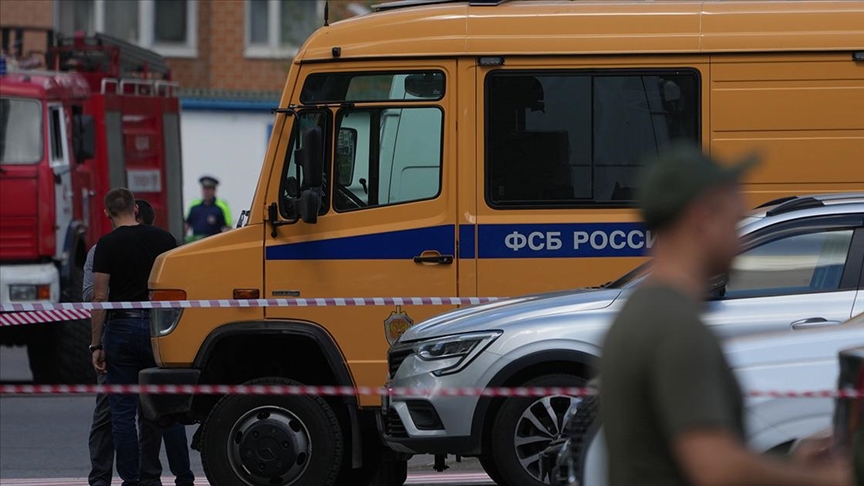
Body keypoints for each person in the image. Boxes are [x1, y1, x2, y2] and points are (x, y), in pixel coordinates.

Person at [599, 143, 852, 486]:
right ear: (703, 217)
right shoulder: (676, 327)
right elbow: (719, 471)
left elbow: (676, 458)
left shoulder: (643, 310)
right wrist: (830, 479)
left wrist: (792, 458)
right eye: (734, 223)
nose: (739, 242)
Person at [84, 199, 193, 486]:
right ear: (134, 210)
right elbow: (178, 289)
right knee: (167, 409)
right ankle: (182, 476)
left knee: (120, 412)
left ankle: (129, 479)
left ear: (107, 211)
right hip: (158, 328)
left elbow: (97, 297)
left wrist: (96, 344)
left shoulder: (106, 245)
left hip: (120, 328)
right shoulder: (165, 240)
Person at [185, 175, 232, 242]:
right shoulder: (194, 205)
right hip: (196, 243)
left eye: (209, 189)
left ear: (214, 190)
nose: (206, 192)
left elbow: (228, 229)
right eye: (205, 189)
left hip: (214, 243)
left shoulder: (222, 206)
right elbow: (186, 226)